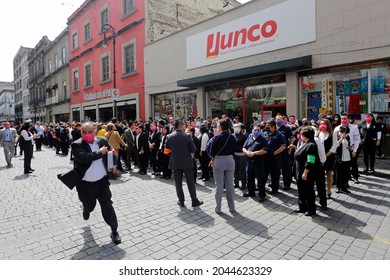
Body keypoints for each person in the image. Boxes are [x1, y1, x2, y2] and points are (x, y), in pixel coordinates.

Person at [71, 122, 121, 245]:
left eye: (90, 131)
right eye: (84, 132)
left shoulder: (102, 141)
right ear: (81, 133)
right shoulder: (76, 145)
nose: (87, 134)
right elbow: (83, 158)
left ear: (95, 131)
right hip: (85, 185)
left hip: (102, 183)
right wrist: (99, 152)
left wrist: (114, 164)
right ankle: (86, 209)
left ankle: (114, 231)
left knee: (108, 206)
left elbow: (111, 152)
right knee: (89, 206)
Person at [166, 120, 203, 208]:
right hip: (187, 163)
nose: (185, 126)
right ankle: (194, 201)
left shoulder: (169, 136)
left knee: (178, 183)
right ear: (181, 126)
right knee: (190, 183)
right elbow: (193, 150)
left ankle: (181, 201)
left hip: (175, 163)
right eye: (184, 125)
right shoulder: (187, 136)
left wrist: (174, 155)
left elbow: (166, 151)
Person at [209, 120, 236, 214]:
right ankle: (232, 207)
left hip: (219, 161)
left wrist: (212, 158)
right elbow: (234, 149)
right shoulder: (232, 137)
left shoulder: (217, 137)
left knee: (219, 185)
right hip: (230, 160)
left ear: (220, 127)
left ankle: (218, 208)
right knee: (230, 185)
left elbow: (212, 152)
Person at [294, 126, 319, 216]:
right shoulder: (304, 143)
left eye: (301, 135)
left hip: (306, 172)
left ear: (305, 135)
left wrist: (305, 172)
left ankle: (311, 209)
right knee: (301, 190)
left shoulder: (311, 145)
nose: (300, 136)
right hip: (299, 171)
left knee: (309, 191)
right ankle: (302, 207)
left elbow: (310, 160)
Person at [242, 122, 268, 201]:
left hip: (259, 162)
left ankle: (262, 195)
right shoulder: (249, 138)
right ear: (252, 130)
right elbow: (244, 148)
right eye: (255, 129)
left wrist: (254, 153)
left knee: (260, 179)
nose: (256, 131)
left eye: (258, 130)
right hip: (249, 162)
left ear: (260, 131)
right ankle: (251, 192)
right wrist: (247, 153)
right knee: (249, 178)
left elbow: (265, 150)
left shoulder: (263, 139)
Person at [333, 113, 361, 183]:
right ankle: (340, 182)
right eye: (342, 118)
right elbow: (334, 140)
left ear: (348, 119)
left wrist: (354, 150)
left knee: (353, 163)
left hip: (351, 149)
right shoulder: (337, 128)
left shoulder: (354, 127)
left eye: (345, 118)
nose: (343, 120)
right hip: (340, 150)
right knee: (340, 166)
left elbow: (357, 139)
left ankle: (355, 177)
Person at [263, 119, 287, 194]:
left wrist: (274, 153)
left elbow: (283, 146)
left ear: (273, 127)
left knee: (275, 174)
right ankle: (262, 187)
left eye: (268, 126)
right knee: (264, 173)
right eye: (266, 126)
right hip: (265, 158)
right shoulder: (264, 134)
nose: (266, 128)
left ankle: (275, 189)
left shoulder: (279, 135)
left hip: (274, 158)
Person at [329, 125, 352, 194]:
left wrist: (350, 148)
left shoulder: (348, 137)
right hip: (339, 158)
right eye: (344, 132)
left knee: (345, 173)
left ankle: (344, 187)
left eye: (346, 133)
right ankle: (338, 187)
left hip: (347, 157)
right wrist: (341, 139)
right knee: (338, 173)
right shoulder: (337, 137)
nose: (345, 134)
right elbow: (335, 147)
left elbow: (350, 145)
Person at [276, 115, 293, 190]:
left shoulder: (286, 128)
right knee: (275, 169)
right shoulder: (274, 128)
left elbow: (292, 138)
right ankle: (275, 183)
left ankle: (287, 184)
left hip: (284, 151)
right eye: (278, 119)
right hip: (276, 151)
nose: (279, 120)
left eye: (280, 119)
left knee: (285, 169)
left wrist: (290, 149)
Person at [233, 123, 248, 190]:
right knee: (235, 169)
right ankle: (236, 183)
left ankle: (243, 184)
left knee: (242, 170)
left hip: (242, 155)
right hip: (235, 154)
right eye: (235, 127)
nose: (236, 128)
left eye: (238, 127)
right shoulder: (232, 136)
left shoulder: (244, 136)